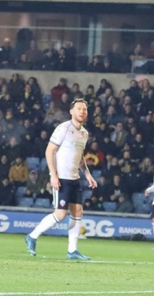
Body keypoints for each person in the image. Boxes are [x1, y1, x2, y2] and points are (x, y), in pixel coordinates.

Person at [25, 99, 98, 260]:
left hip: (75, 179)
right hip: (62, 178)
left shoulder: (84, 133)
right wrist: (53, 175)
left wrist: (87, 174)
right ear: (71, 112)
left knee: (78, 212)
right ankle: (32, 236)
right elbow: (49, 151)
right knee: (60, 214)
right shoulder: (63, 128)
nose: (82, 112)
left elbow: (80, 158)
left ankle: (72, 251)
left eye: (85, 109)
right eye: (79, 109)